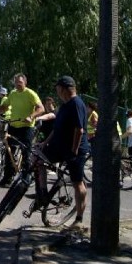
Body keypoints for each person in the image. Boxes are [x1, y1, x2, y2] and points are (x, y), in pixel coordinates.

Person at [36, 76, 90, 226]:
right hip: (59, 146)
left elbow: (79, 130)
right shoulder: (64, 105)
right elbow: (56, 128)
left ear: (65, 89)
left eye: (58, 88)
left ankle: (79, 218)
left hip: (75, 149)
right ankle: (43, 193)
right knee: (39, 160)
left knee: (77, 183)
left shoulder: (76, 104)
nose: (57, 91)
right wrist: (45, 143)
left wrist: (73, 152)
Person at [0, 74, 44, 186]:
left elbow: (41, 108)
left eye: (20, 82)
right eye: (16, 82)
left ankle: (26, 178)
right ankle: (7, 178)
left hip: (27, 127)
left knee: (26, 152)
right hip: (14, 126)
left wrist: (31, 116)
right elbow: (5, 106)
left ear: (25, 82)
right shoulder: (12, 94)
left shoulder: (30, 94)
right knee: (9, 152)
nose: (17, 84)